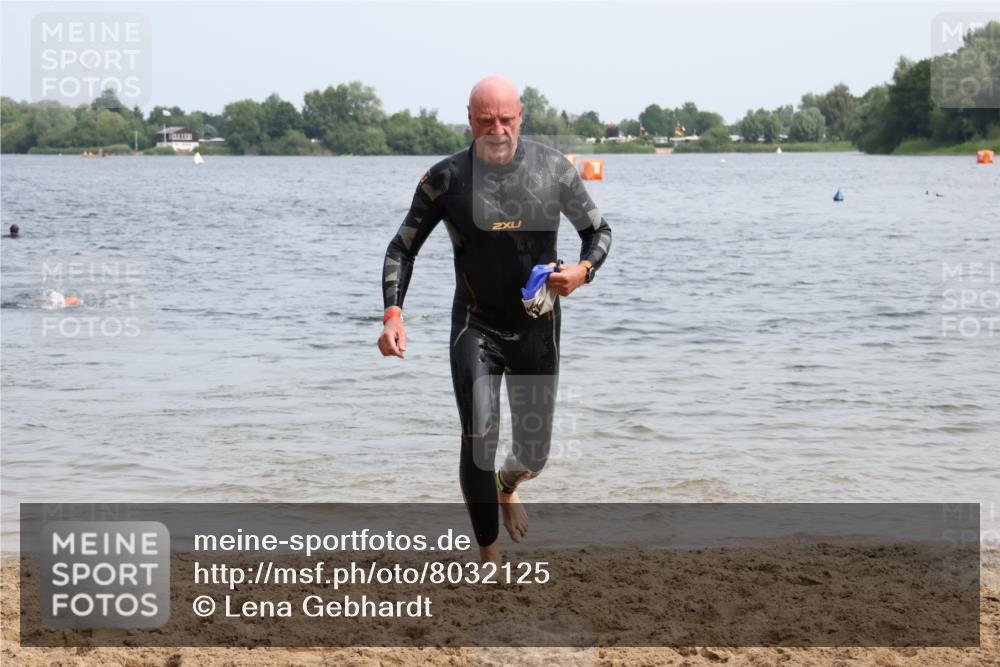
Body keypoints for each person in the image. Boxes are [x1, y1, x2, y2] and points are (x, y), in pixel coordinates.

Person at [378, 76, 612, 564]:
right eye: (486, 120)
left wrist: (582, 272)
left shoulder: (553, 169)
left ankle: (509, 485)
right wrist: (393, 314)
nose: (498, 130)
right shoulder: (445, 179)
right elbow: (403, 247)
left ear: (521, 117)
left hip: (537, 327)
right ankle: (489, 554)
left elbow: (599, 232)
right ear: (470, 119)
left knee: (535, 455)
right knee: (478, 438)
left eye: (507, 119)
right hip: (476, 327)